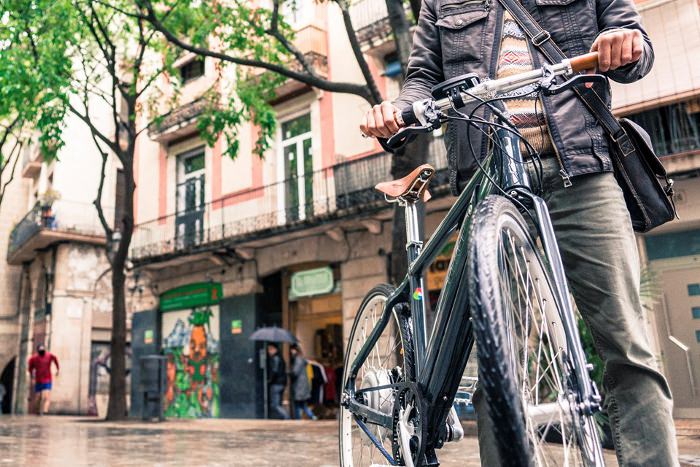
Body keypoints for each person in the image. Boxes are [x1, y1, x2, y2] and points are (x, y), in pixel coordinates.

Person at [361, 1, 678, 465]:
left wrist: (625, 45)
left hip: (581, 170)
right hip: (488, 178)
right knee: (497, 357)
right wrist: (395, 113)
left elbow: (634, 43)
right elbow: (422, 80)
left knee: (628, 346)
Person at [28, 344, 59, 415]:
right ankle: (37, 410)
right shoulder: (33, 358)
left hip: (47, 379)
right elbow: (30, 369)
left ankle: (45, 411)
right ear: (38, 351)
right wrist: (32, 378)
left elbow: (55, 360)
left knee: (46, 396)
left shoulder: (49, 355)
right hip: (38, 379)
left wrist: (57, 369)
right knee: (38, 397)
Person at [289, 344, 317, 420]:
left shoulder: (298, 359)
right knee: (302, 404)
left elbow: (295, 372)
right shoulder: (301, 359)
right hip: (302, 385)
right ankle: (312, 416)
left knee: (298, 404)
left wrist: (289, 372)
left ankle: (299, 419)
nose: (291, 352)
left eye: (292, 350)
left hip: (299, 385)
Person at [266, 343, 289, 419]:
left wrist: (269, 380)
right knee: (278, 403)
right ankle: (283, 418)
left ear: (274, 349)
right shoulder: (280, 357)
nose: (268, 351)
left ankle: (286, 417)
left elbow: (274, 371)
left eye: (270, 349)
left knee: (275, 405)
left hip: (276, 383)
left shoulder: (275, 358)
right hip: (281, 383)